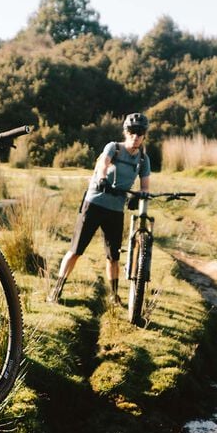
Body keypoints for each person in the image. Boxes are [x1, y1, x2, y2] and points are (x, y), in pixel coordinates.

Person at [48, 113, 151, 304]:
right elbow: (103, 163)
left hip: (115, 211)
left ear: (144, 135)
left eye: (140, 132)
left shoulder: (143, 160)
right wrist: (102, 179)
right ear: (125, 132)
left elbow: (145, 185)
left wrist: (140, 195)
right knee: (76, 250)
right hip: (94, 203)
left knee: (113, 256)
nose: (135, 136)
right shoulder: (114, 148)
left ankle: (113, 295)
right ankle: (56, 290)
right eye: (132, 131)